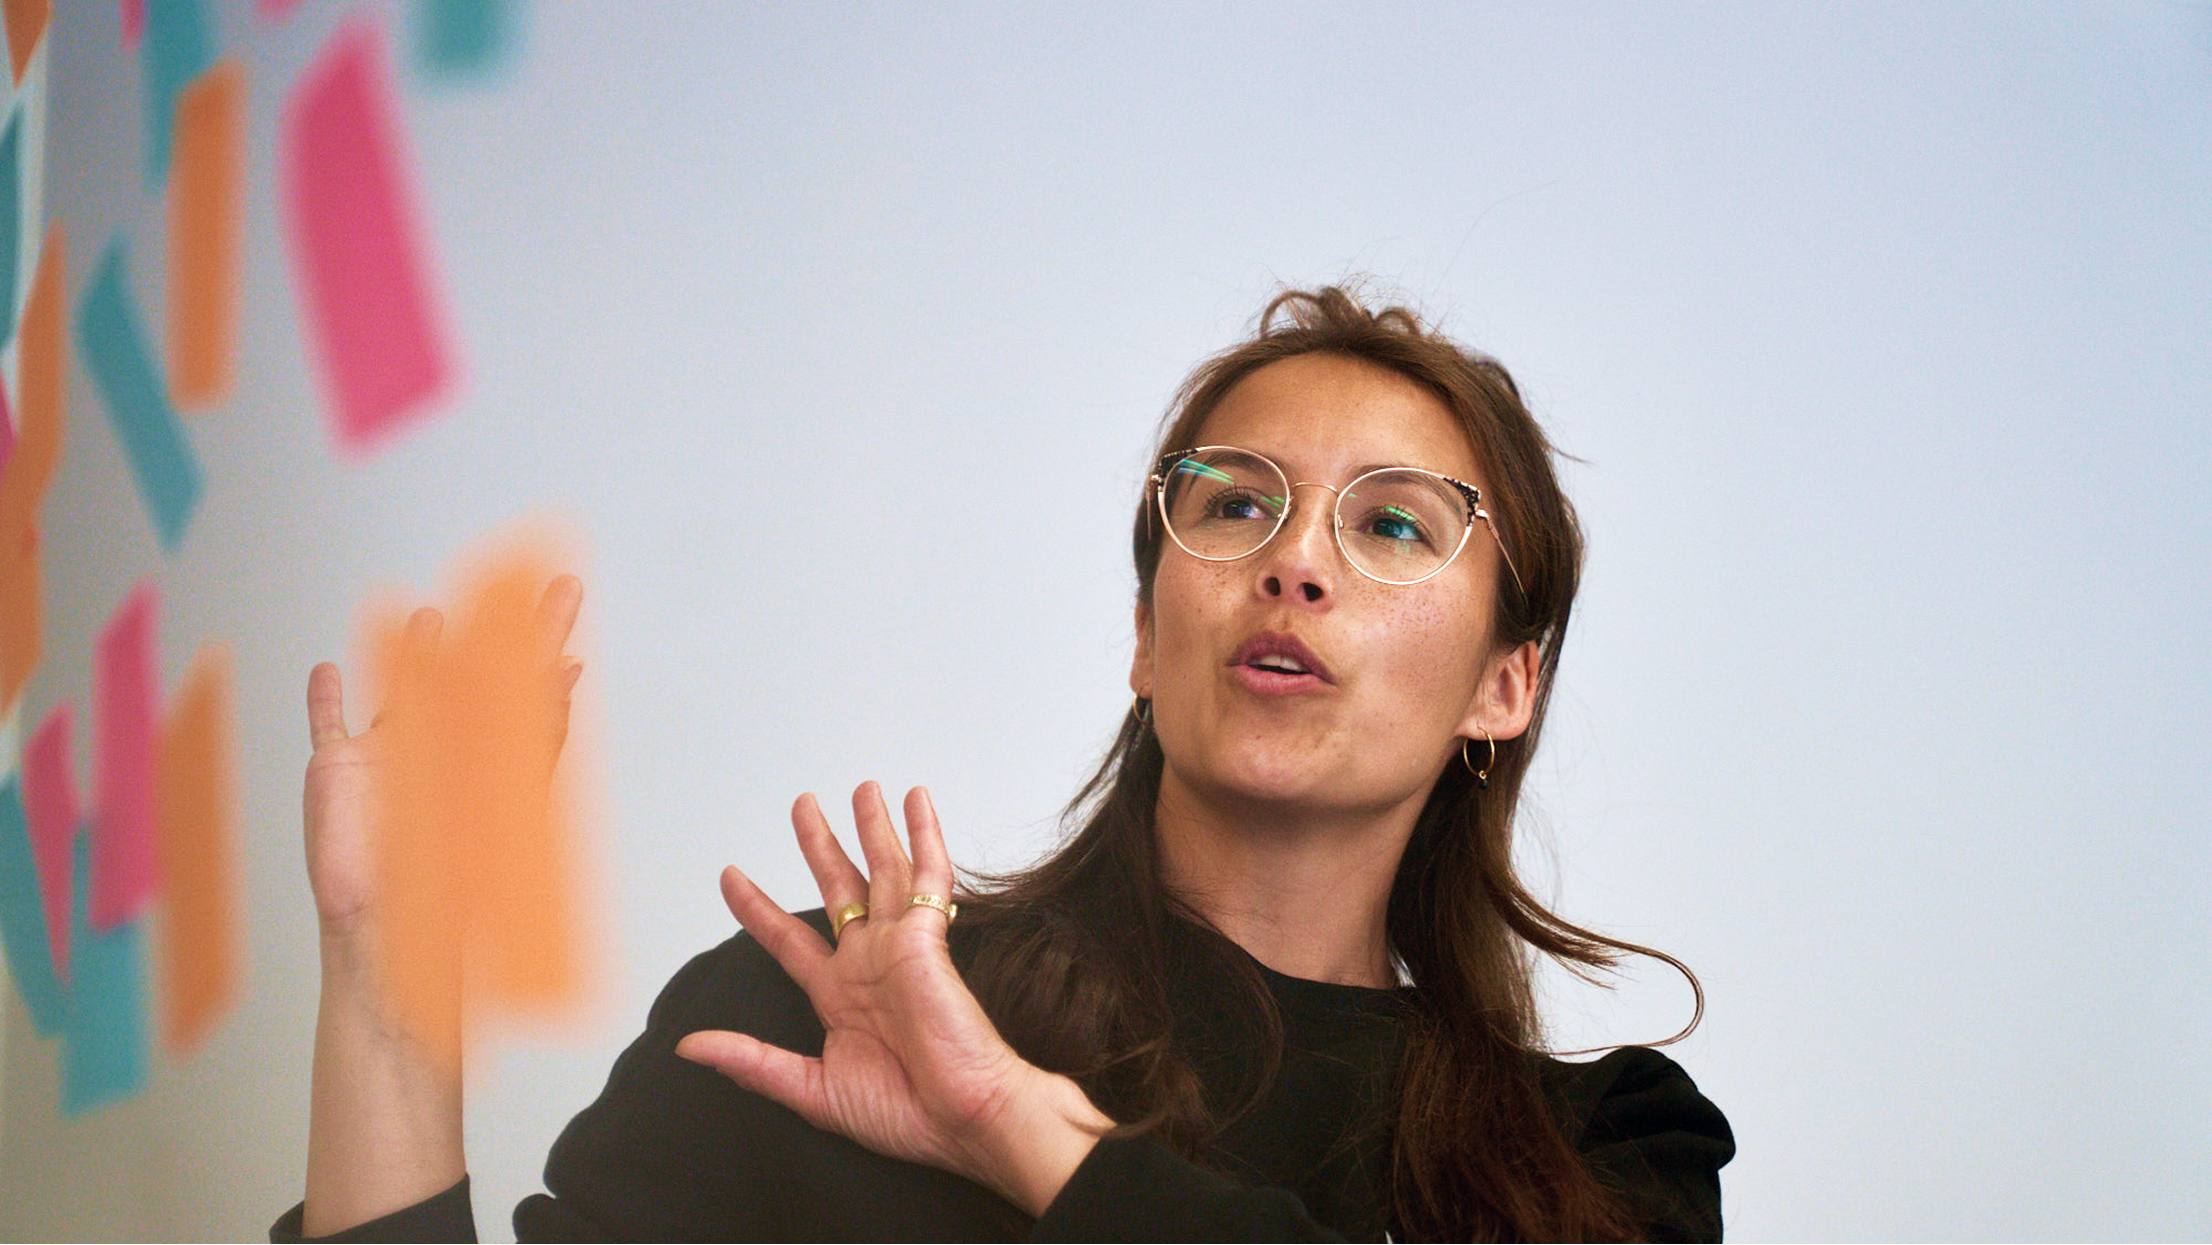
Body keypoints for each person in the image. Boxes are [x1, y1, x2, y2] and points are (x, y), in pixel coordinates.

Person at [273, 286, 1734, 1243]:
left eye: (1394, 525)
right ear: (1145, 635)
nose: (1292, 562)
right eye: (1234, 506)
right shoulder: (810, 1005)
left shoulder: (1603, 1158)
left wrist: (1015, 1124)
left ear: (1504, 682)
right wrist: (386, 984)